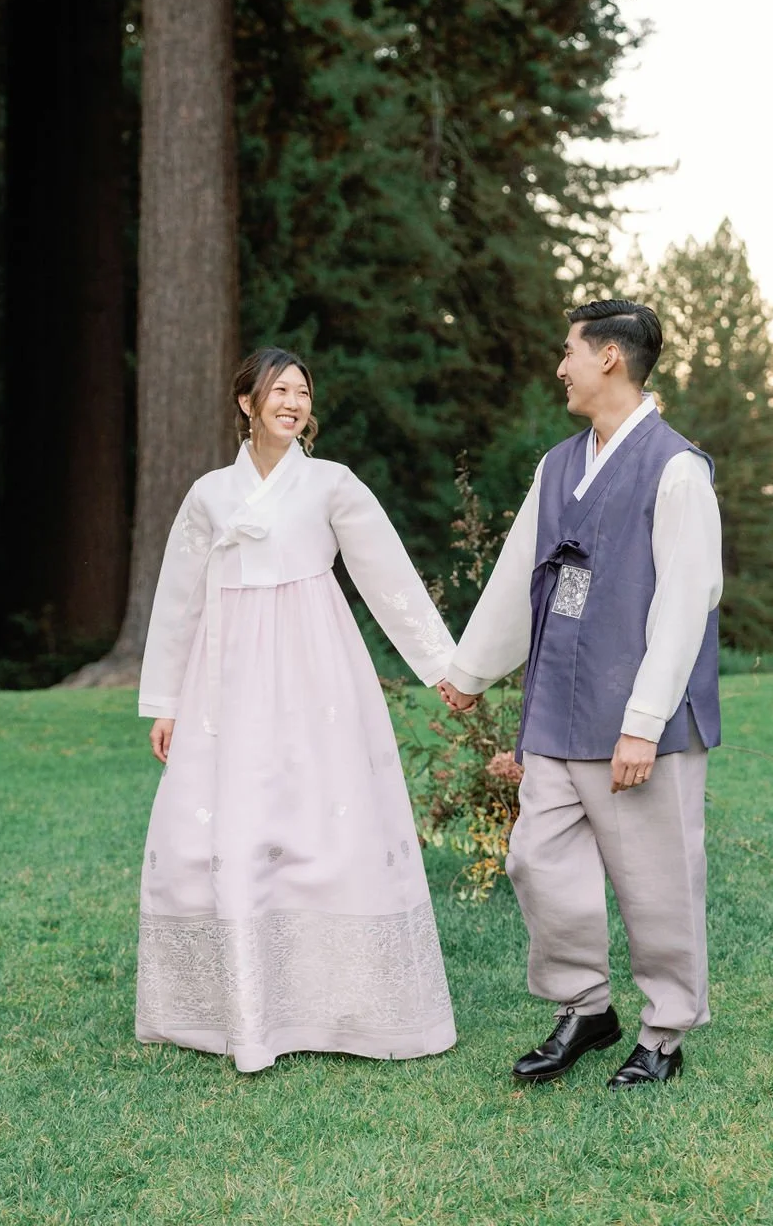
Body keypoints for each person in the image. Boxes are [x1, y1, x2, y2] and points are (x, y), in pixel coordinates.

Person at [136, 346, 457, 1072]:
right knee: (227, 819)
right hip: (226, 673)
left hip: (315, 666)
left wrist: (443, 664)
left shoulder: (333, 485)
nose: (293, 401)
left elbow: (385, 572)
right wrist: (165, 701)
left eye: (303, 392)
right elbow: (180, 597)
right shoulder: (210, 494)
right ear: (246, 403)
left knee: (323, 810)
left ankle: (342, 1002)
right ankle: (233, 1007)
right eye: (278, 390)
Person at [440, 300, 722, 1088]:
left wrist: (642, 723)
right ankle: (585, 1008)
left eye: (568, 351)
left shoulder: (676, 468)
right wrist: (470, 673)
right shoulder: (558, 464)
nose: (559, 367)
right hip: (557, 711)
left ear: (610, 358)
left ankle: (664, 1035)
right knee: (537, 860)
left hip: (641, 724)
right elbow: (515, 575)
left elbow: (684, 605)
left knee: (657, 878)